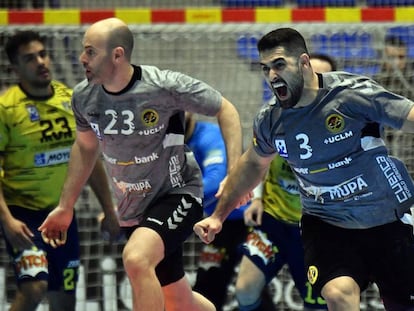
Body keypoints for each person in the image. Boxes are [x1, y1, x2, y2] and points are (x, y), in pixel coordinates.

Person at [194, 27, 414, 311]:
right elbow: (252, 164)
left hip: (386, 218)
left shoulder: (351, 95)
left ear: (304, 63)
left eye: (279, 65)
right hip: (327, 224)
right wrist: (218, 216)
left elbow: (408, 116)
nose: (272, 75)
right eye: (265, 69)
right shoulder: (271, 119)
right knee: (338, 293)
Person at [38, 17, 243, 311]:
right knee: (177, 299)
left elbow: (226, 108)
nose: (82, 58)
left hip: (177, 193)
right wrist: (65, 205)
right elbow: (85, 148)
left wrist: (233, 172)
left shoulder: (162, 86)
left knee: (136, 258)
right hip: (133, 206)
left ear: (117, 54)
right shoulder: (84, 96)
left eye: (90, 51)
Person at [0, 30, 119, 311]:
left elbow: (90, 161)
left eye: (43, 54)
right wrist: (6, 220)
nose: (41, 62)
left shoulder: (71, 99)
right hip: (23, 216)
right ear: (15, 68)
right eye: (30, 59)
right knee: (34, 287)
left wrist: (110, 211)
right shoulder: (6, 109)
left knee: (64, 301)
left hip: (62, 217)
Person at [234, 54, 334, 311]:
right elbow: (258, 159)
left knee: (318, 305)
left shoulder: (338, 124)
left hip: (316, 230)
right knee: (244, 289)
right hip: (274, 222)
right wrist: (256, 198)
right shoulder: (275, 113)